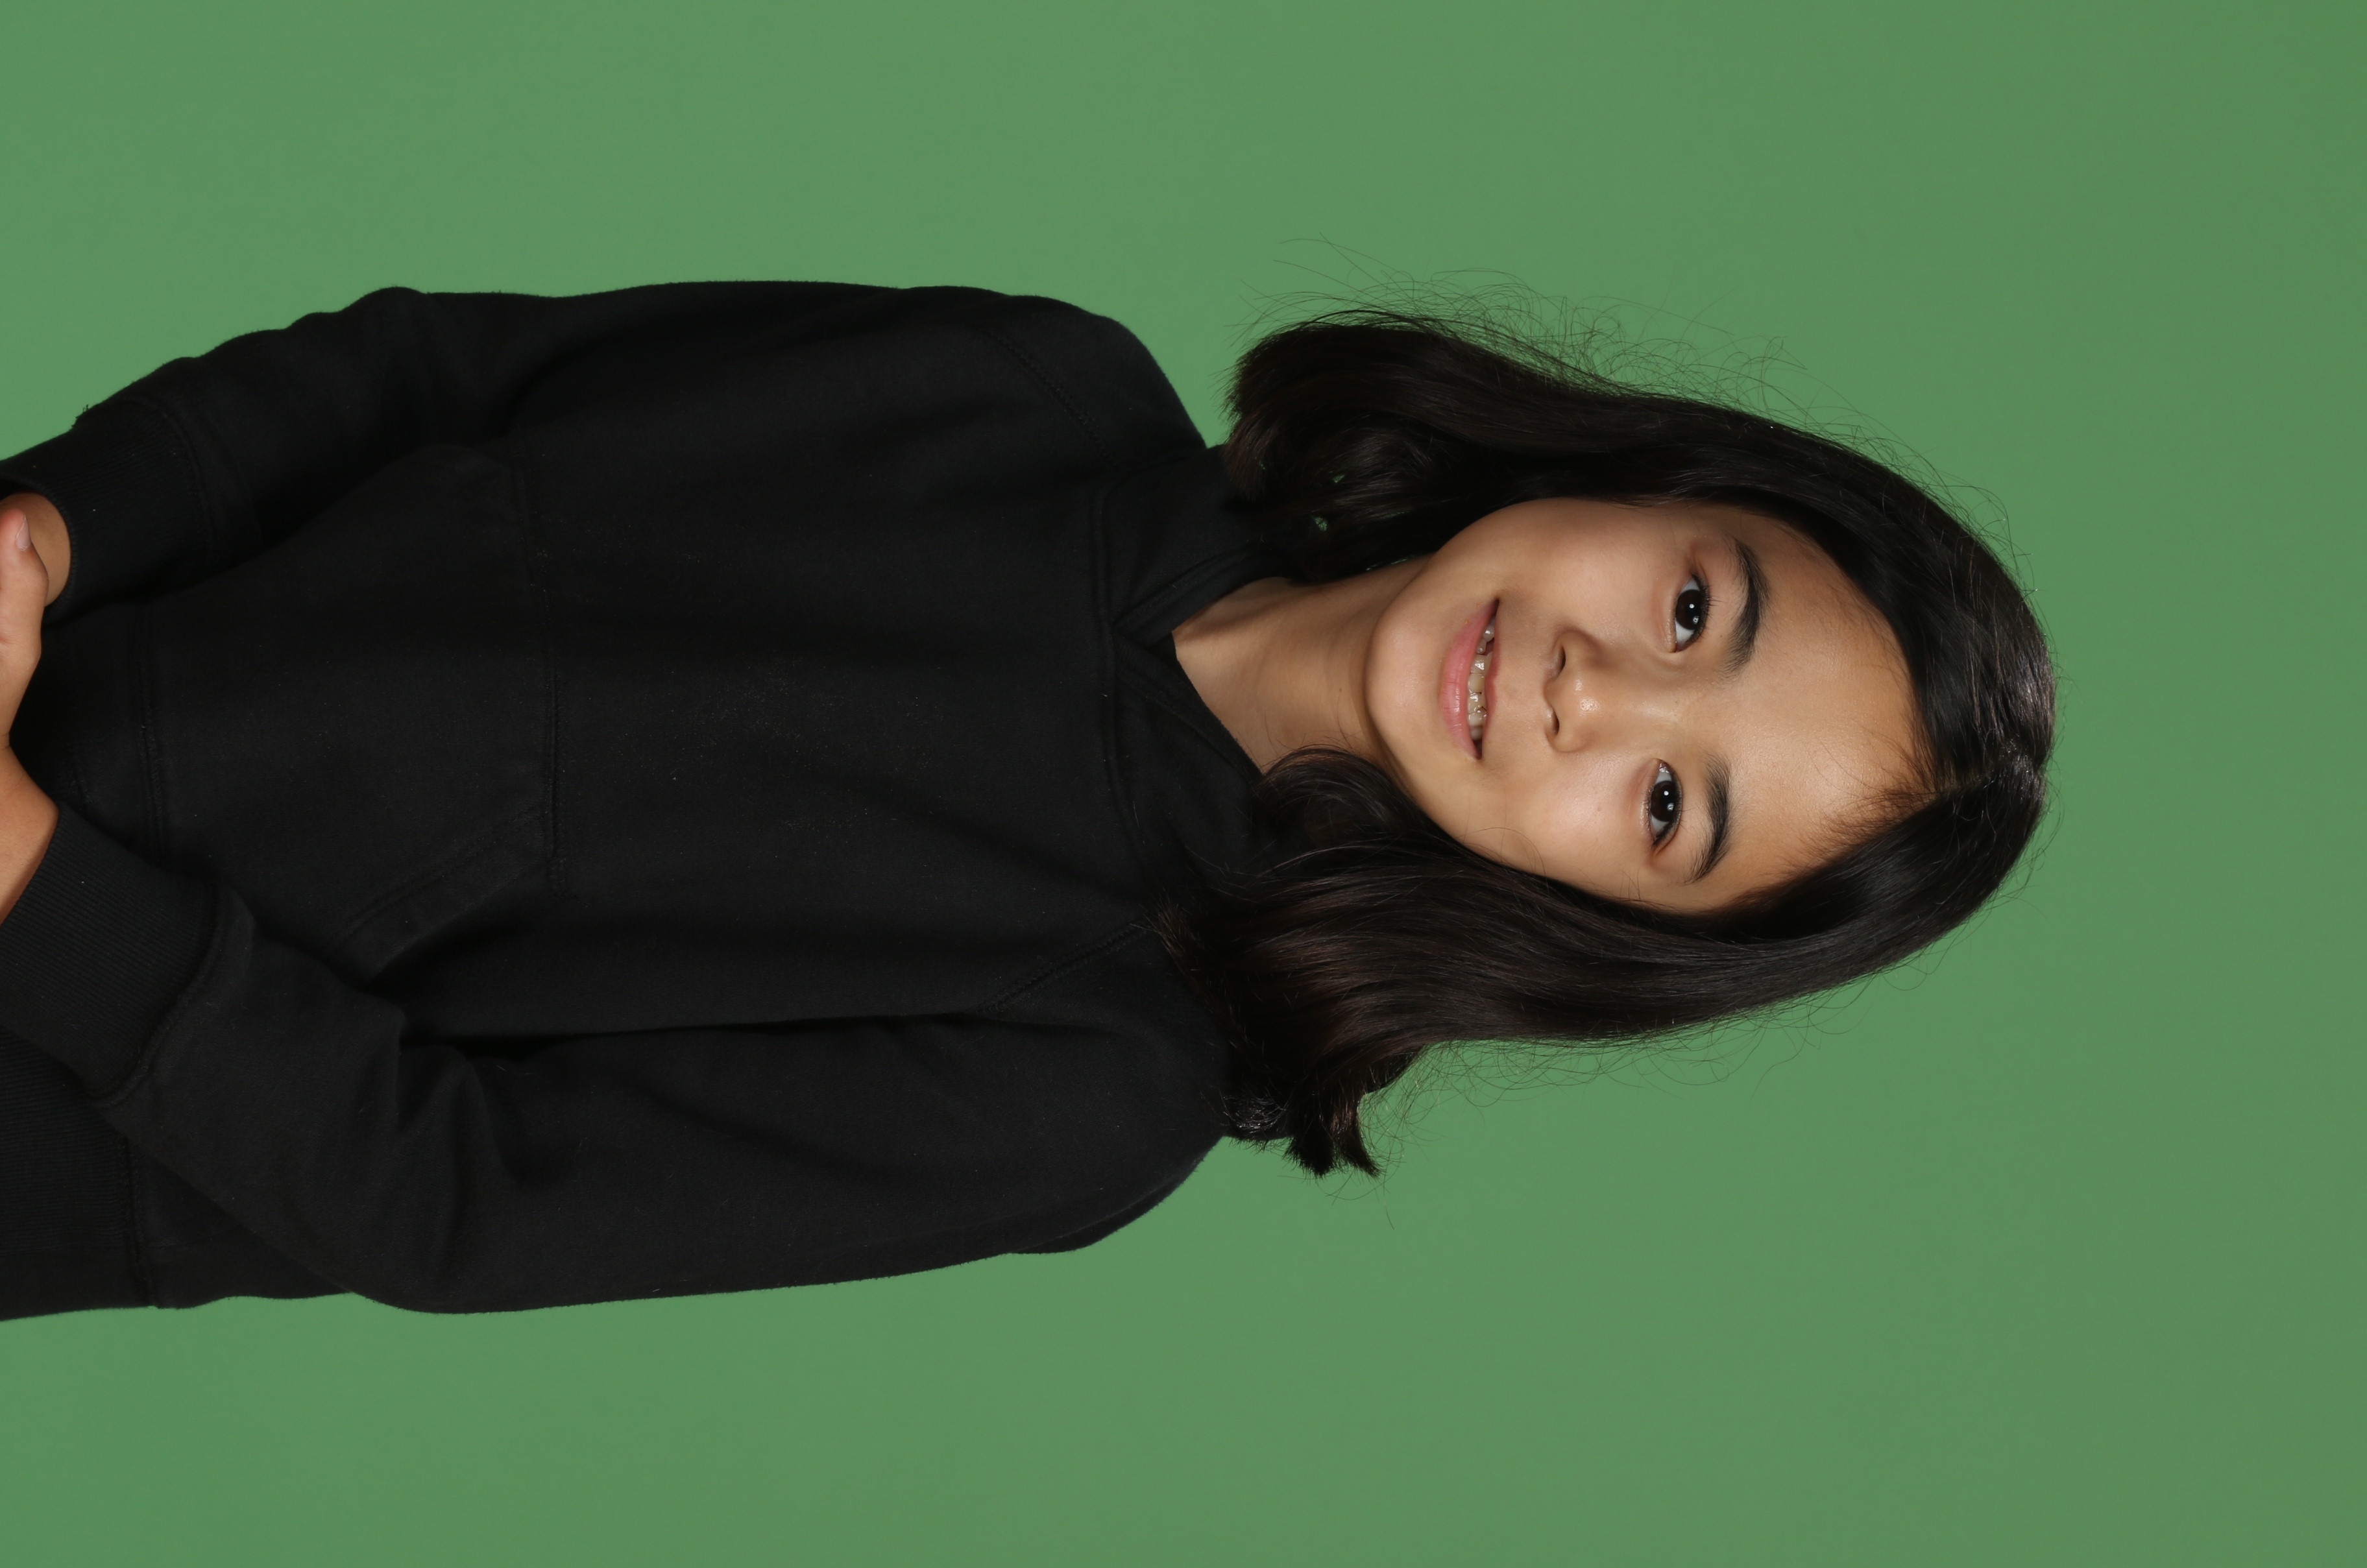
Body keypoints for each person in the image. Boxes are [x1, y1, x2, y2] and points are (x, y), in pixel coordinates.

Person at [0, 282, 2053, 1320]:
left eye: (1672, 809)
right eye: (1695, 607)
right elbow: (430, 379)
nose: (1601, 696)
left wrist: (24, 869)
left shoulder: (1103, 1076)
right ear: (1655, 480)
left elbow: (456, 1196)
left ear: (1612, 924)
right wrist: (42, 536)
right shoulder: (1036, 392)